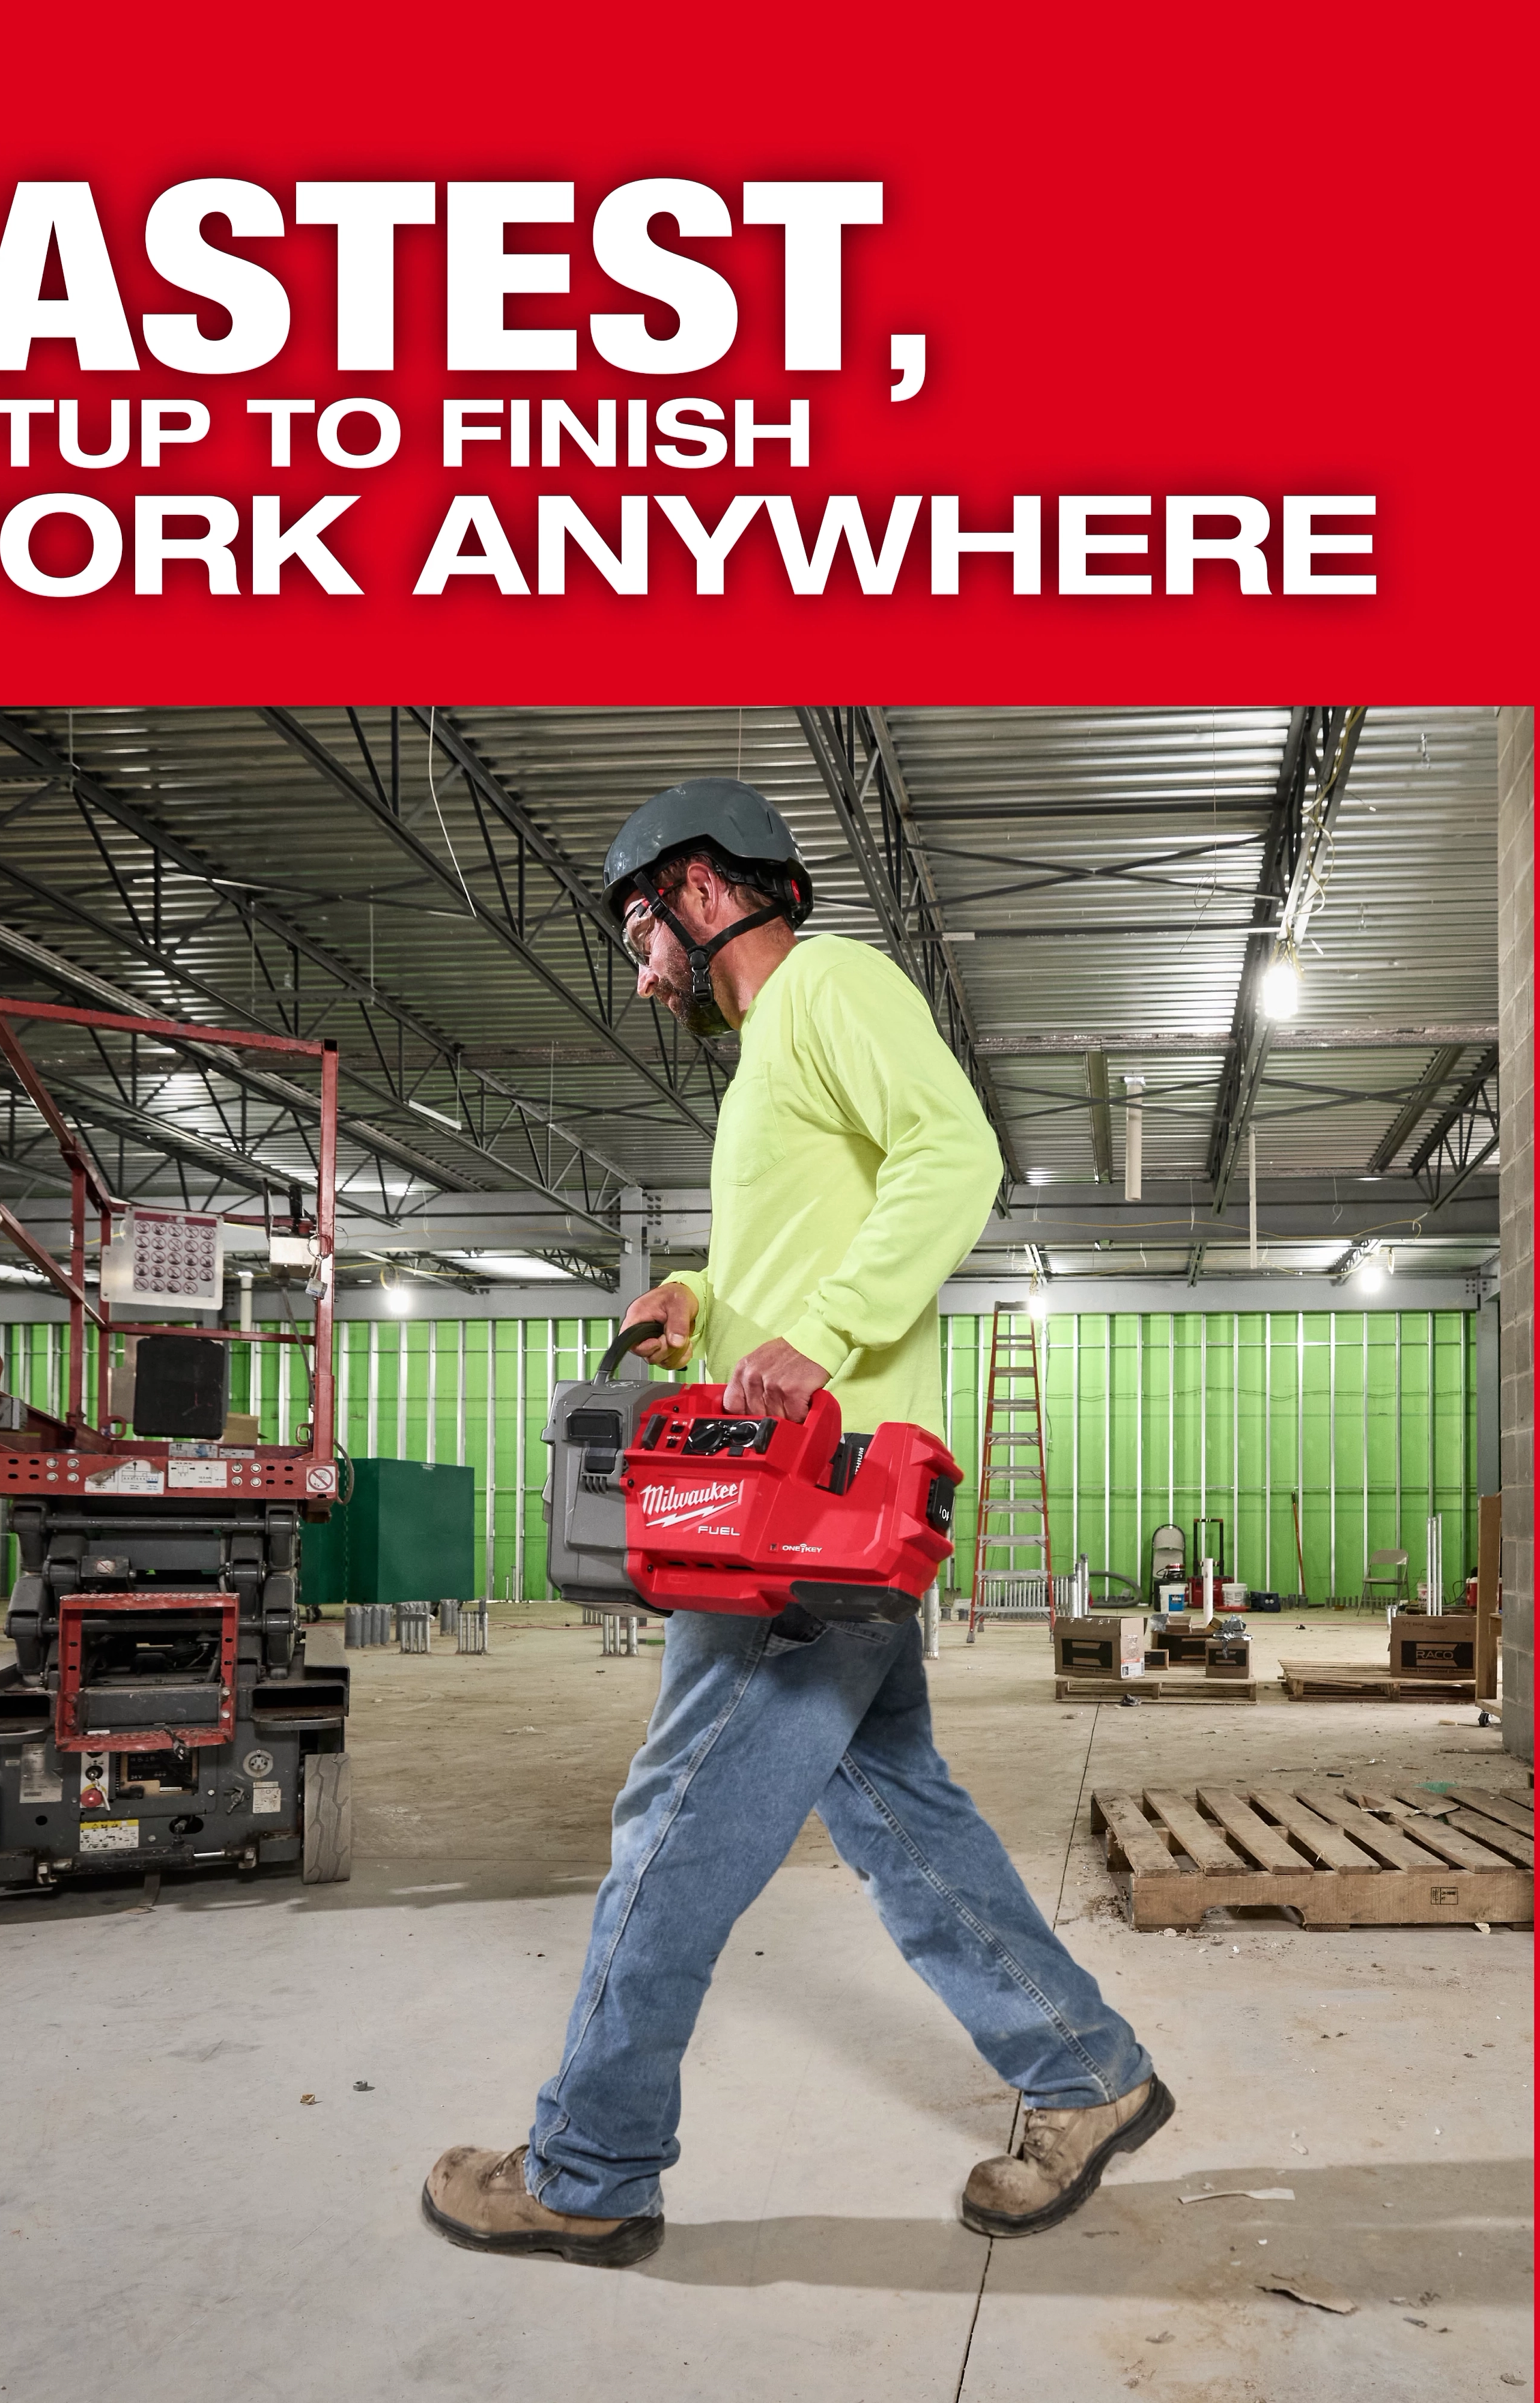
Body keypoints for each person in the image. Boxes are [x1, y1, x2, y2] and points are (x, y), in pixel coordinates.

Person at [422, 777, 1170, 2268]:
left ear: (702, 889)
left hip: (802, 1511)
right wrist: (699, 1300)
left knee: (672, 1823)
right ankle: (1082, 2074)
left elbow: (951, 1154)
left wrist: (818, 1334)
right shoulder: (767, 1053)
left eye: (642, 925)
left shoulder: (831, 982)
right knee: (899, 1813)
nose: (643, 968)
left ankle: (589, 2162)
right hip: (810, 1507)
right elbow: (794, 1245)